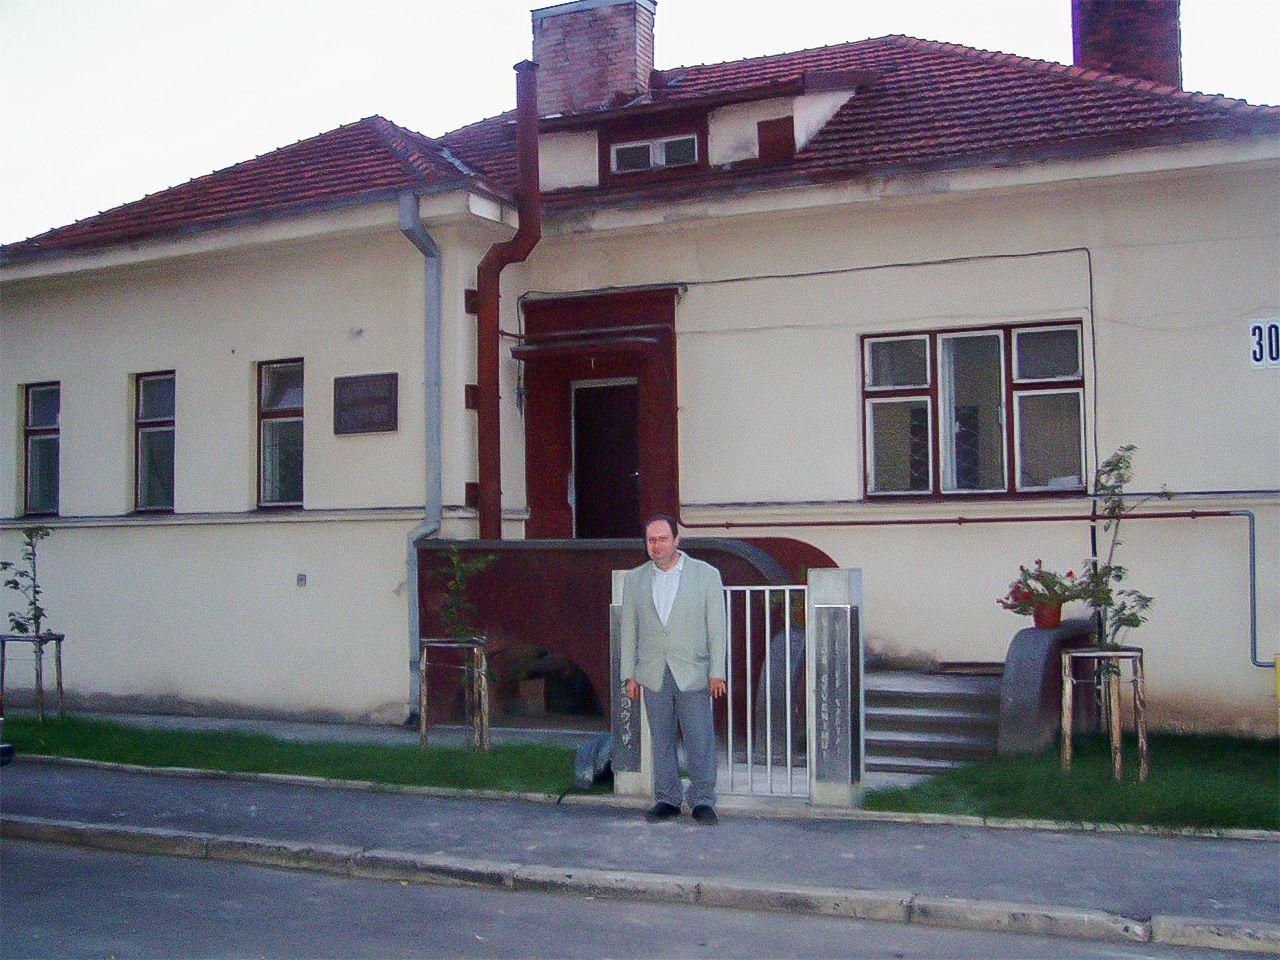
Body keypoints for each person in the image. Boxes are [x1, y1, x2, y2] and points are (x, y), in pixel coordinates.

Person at [620, 514, 727, 825]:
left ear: (677, 540)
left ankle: (702, 799)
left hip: (692, 670)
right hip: (652, 671)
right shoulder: (635, 579)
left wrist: (716, 671)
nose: (656, 545)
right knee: (661, 737)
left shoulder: (705, 575)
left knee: (699, 737)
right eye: (651, 540)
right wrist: (630, 674)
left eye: (662, 538)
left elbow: (716, 627)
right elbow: (629, 630)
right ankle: (667, 796)